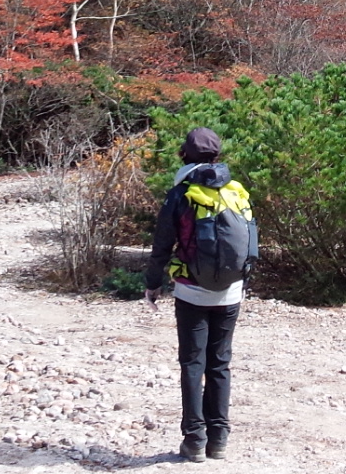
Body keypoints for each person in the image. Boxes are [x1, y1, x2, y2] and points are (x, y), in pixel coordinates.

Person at [144, 127, 257, 463]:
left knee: (193, 364)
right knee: (219, 364)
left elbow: (162, 244)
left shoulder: (181, 194)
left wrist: (153, 284)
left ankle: (194, 440)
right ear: (217, 155)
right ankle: (219, 439)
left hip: (191, 292)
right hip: (231, 292)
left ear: (184, 154)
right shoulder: (235, 190)